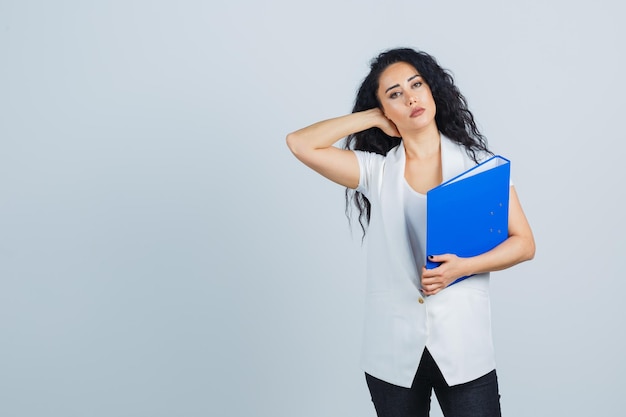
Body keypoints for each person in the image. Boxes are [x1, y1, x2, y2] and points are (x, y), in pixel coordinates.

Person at [286, 47, 535, 417]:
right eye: (394, 94)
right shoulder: (377, 172)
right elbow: (299, 143)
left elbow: (524, 244)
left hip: (464, 347)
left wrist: (462, 268)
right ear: (385, 110)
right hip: (392, 351)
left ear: (433, 90)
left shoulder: (481, 167)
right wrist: (369, 116)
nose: (411, 97)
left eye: (416, 84)